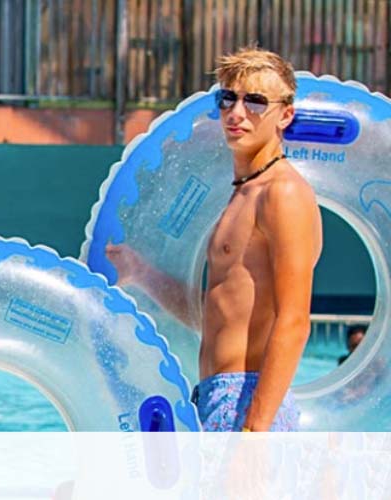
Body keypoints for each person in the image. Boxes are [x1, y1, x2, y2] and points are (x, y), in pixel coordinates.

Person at [108, 48, 322, 431]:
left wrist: (253, 434)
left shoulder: (282, 193)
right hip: (216, 396)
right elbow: (217, 316)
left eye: (255, 102)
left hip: (247, 403)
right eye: (228, 98)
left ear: (285, 115)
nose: (236, 113)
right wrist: (140, 272)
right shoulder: (244, 192)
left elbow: (294, 321)